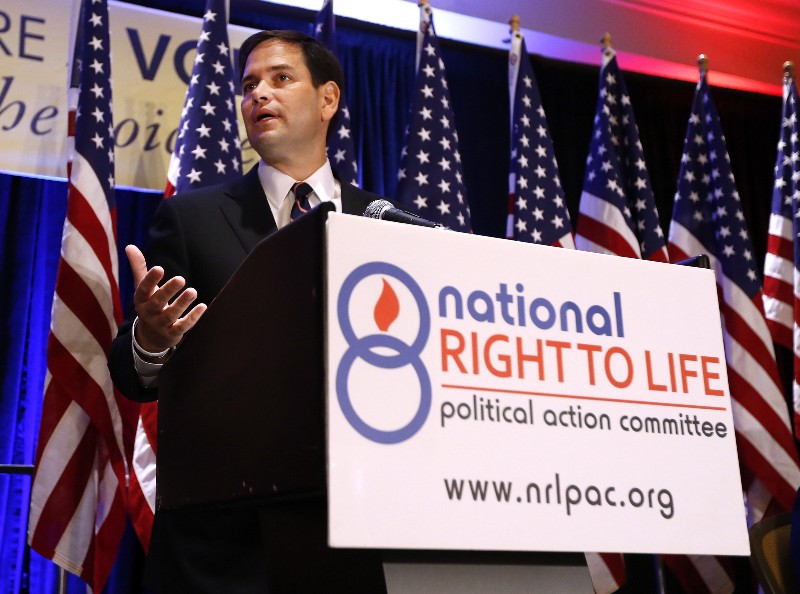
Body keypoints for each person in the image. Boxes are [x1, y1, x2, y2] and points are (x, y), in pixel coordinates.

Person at [108, 30, 387, 593]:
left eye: (281, 78)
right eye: (249, 85)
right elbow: (130, 375)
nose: (259, 94)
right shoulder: (191, 219)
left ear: (328, 99)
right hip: (226, 549)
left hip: (360, 532)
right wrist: (152, 339)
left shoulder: (385, 224)